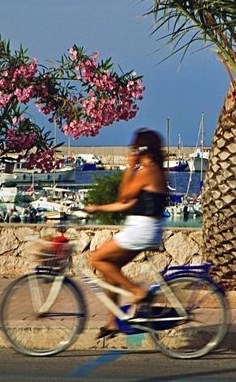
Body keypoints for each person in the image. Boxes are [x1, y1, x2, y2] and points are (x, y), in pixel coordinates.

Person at [85, 128, 169, 338]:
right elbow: (127, 205)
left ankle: (137, 292)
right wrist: (98, 208)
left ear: (141, 149)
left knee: (96, 259)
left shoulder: (145, 171)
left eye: (134, 148)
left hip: (140, 229)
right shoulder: (156, 171)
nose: (132, 151)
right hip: (144, 228)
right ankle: (112, 322)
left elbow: (123, 196)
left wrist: (130, 167)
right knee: (110, 270)